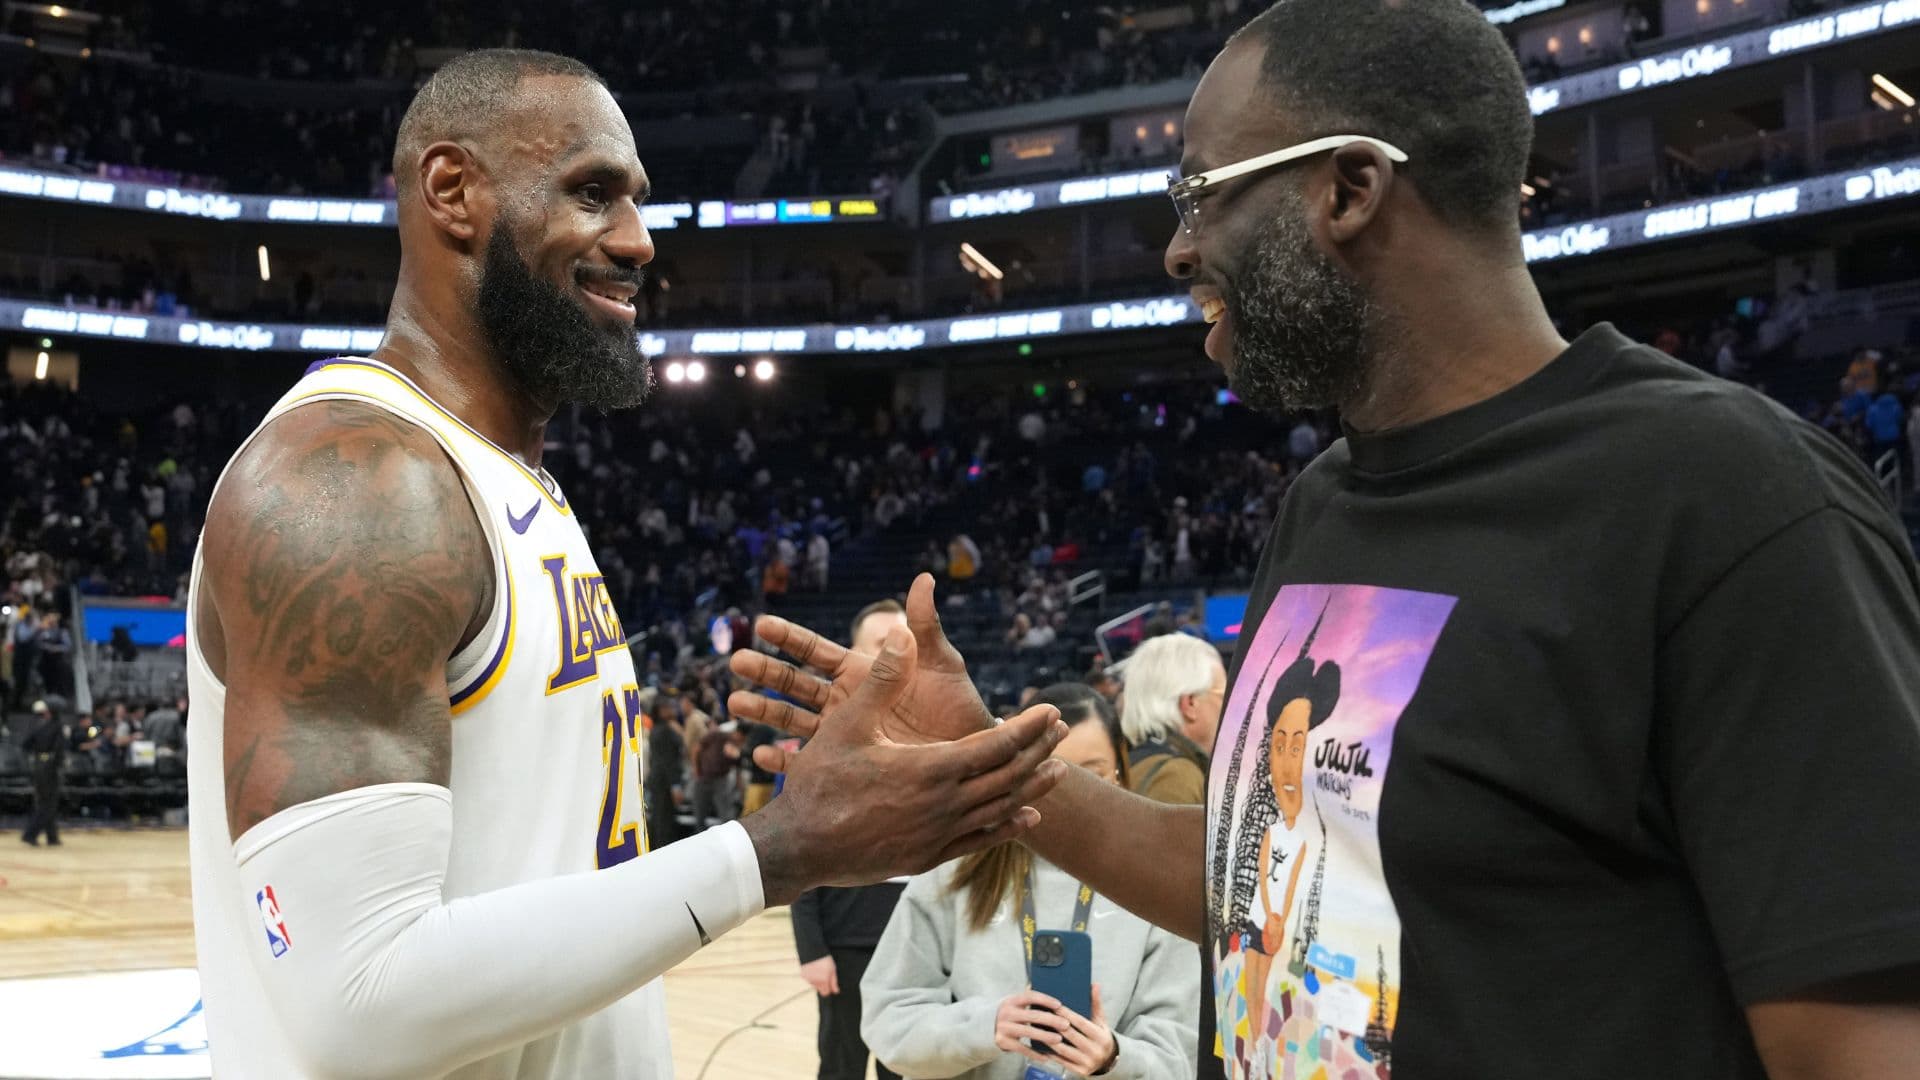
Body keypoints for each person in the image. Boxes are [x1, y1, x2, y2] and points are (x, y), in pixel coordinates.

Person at [728, 3, 1920, 1077]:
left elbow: (1861, 1046)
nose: (1179, 248)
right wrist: (988, 762)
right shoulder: (1327, 503)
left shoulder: (1727, 501)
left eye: (1201, 193)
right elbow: (1264, 881)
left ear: (1349, 190)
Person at [184, 49, 1065, 1079]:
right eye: (593, 194)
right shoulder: (360, 482)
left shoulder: (507, 484)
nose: (640, 241)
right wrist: (782, 848)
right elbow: (357, 1003)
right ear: (452, 191)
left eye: (638, 201)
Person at [861, 683, 1198, 1080]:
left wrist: (1114, 1057)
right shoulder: (956, 868)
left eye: (1092, 777)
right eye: (1049, 778)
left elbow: (1179, 1056)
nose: (1071, 799)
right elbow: (889, 1019)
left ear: (1119, 776)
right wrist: (985, 1027)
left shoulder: (1154, 885)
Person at [792, 599, 911, 1080]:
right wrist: (812, 949)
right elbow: (799, 852)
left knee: (904, 1064)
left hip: (914, 942)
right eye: (882, 645)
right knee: (842, 1063)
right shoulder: (822, 745)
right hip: (846, 944)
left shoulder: (943, 739)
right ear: (854, 656)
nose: (897, 654)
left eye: (905, 643)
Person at [1118, 633, 1226, 806]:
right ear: (1190, 703)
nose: (1229, 708)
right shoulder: (1177, 777)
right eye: (1223, 695)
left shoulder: (1125, 765)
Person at [20, 700, 64, 847]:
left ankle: (52, 837)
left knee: (45, 801)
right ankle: (30, 834)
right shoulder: (58, 727)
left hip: (39, 764)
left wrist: (37, 753)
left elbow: (25, 744)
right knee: (48, 804)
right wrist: (58, 766)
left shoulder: (38, 726)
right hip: (50, 767)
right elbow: (59, 750)